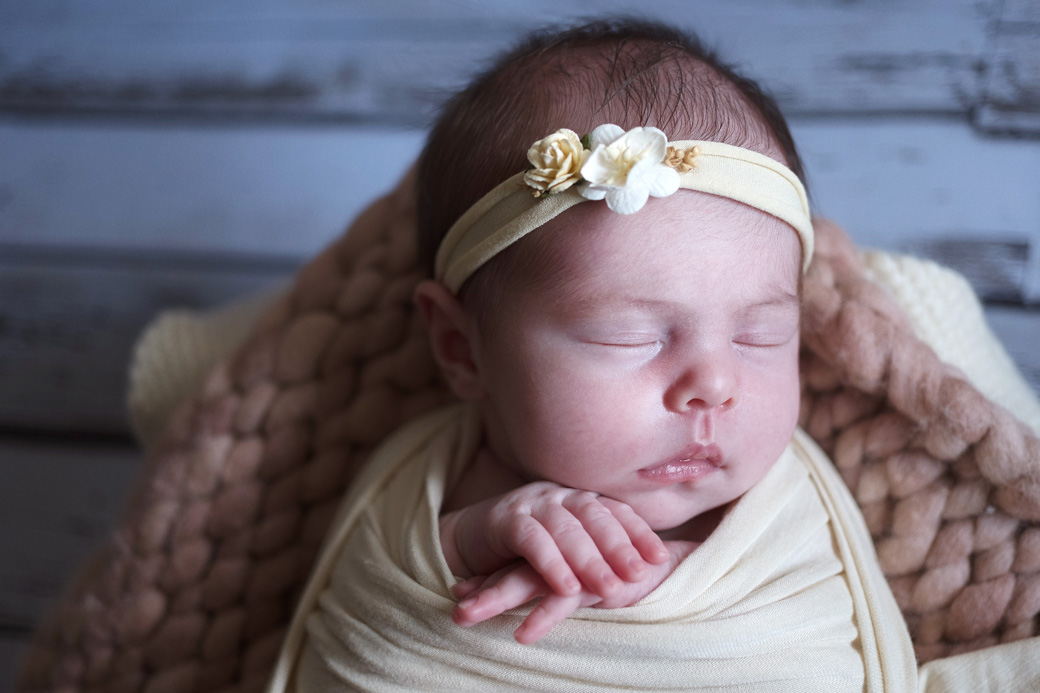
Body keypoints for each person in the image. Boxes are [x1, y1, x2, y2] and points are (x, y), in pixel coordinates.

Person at [269, 18, 919, 691]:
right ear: (461, 348)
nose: (715, 382)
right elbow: (373, 609)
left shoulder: (782, 505)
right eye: (629, 337)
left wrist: (664, 578)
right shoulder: (430, 483)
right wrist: (470, 539)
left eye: (762, 334)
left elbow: (808, 645)